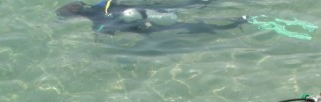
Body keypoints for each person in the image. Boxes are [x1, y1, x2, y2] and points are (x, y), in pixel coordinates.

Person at [56, 0, 245, 36]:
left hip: (149, 23)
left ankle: (240, 21)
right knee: (195, 4)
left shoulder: (98, 24)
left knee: (190, 26)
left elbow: (108, 32)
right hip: (152, 9)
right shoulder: (104, 4)